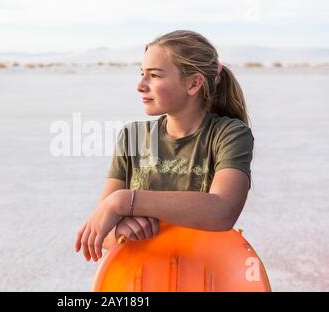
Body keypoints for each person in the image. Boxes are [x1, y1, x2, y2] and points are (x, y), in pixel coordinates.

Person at [74, 30, 254, 262]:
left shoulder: (228, 134)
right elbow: (100, 231)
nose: (140, 85)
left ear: (193, 83)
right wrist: (119, 231)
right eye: (142, 74)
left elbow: (222, 211)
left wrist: (124, 201)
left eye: (155, 75)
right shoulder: (133, 136)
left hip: (206, 276)